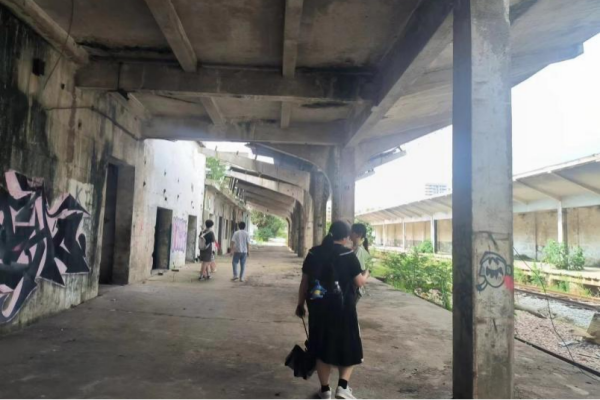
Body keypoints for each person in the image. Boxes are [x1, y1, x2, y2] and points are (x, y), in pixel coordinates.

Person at [296, 221, 370, 400]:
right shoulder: (348, 254)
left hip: (318, 308)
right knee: (349, 345)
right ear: (345, 237)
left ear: (330, 233)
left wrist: (300, 304)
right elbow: (359, 282)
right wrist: (367, 272)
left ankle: (325, 390)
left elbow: (304, 282)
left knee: (321, 346)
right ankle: (343, 387)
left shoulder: (314, 253)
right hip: (344, 309)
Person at [350, 223, 371, 300]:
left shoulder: (359, 250)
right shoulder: (354, 249)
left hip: (354, 288)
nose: (349, 233)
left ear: (358, 234)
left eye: (352, 232)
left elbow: (360, 270)